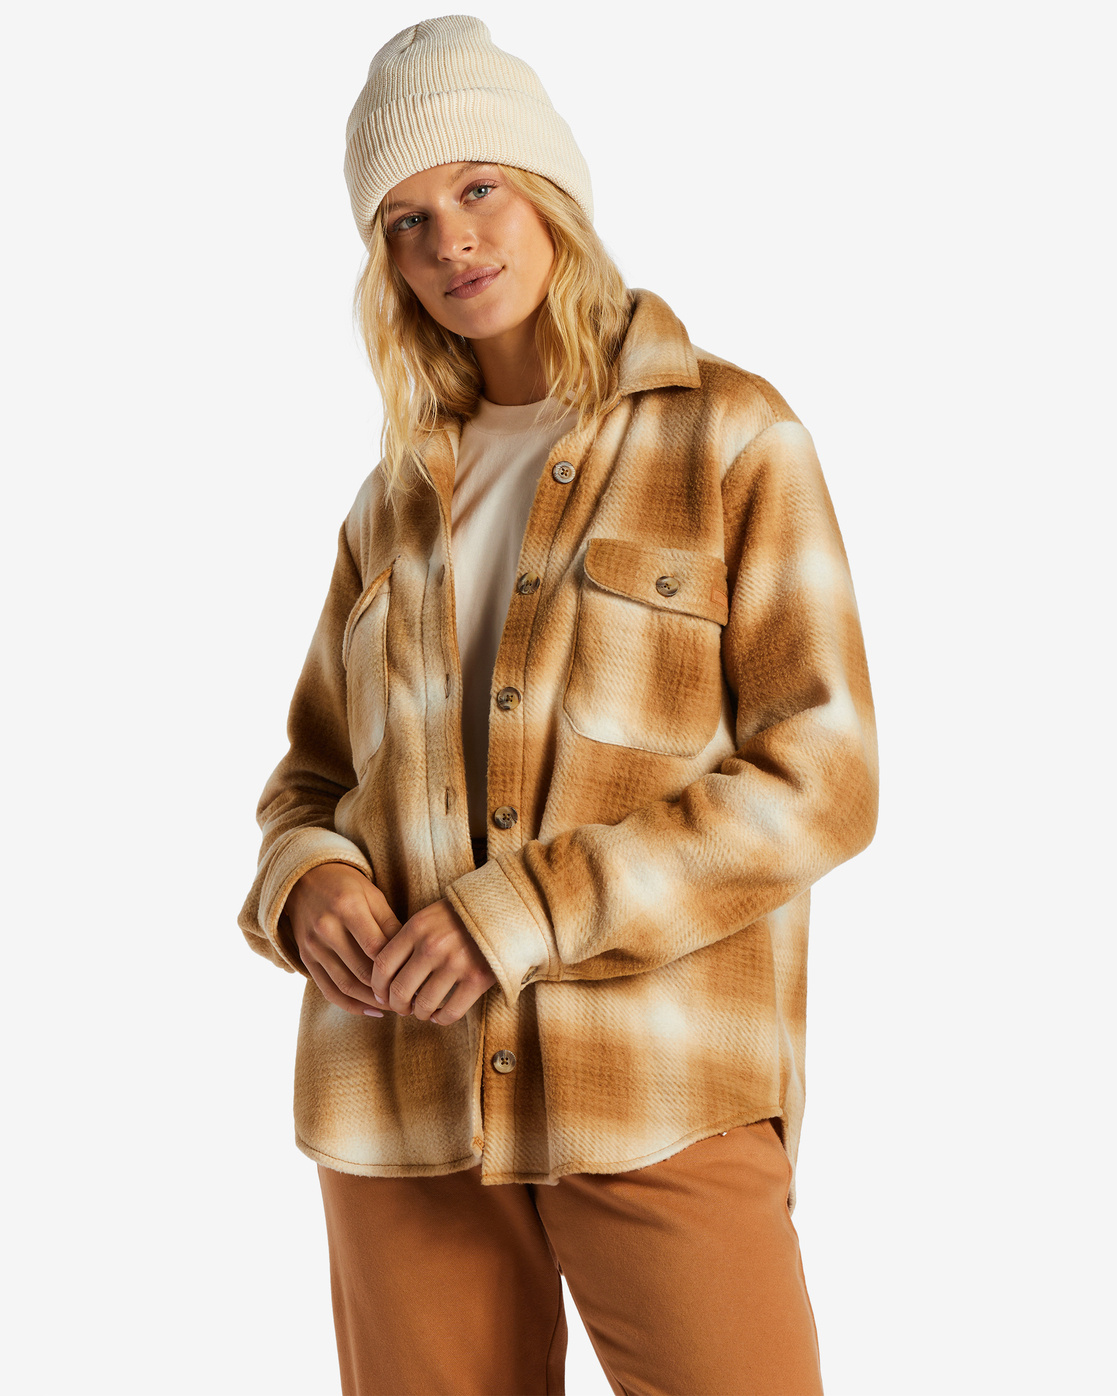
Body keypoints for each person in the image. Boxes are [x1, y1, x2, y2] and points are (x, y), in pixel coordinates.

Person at [238, 15, 879, 1396]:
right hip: (400, 1093)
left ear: (551, 192)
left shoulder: (730, 433)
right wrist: (306, 881)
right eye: (405, 221)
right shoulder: (392, 503)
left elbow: (822, 775)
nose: (450, 241)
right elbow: (310, 777)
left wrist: (526, 909)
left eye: (477, 186)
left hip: (654, 1079)